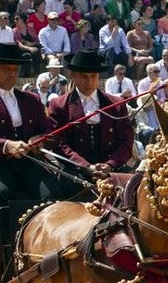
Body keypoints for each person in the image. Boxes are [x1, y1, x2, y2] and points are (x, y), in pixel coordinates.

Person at [0, 42, 62, 273]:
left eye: (15, 69)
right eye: (7, 69)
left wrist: (38, 140)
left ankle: (49, 252)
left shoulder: (31, 99)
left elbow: (48, 130)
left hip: (29, 161)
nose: (12, 74)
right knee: (0, 194)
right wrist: (7, 145)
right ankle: (8, 255)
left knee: (52, 193)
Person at [46, 50, 134, 190]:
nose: (89, 81)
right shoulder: (59, 105)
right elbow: (58, 143)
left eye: (93, 76)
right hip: (75, 169)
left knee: (134, 187)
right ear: (73, 76)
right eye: (84, 76)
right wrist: (85, 166)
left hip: (111, 168)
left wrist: (110, 164)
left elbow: (127, 140)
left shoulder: (116, 104)